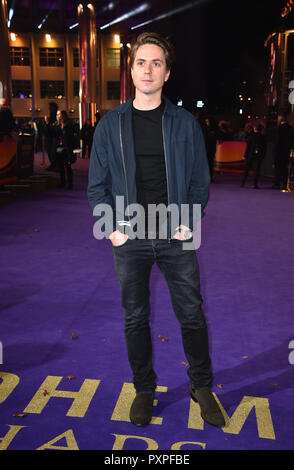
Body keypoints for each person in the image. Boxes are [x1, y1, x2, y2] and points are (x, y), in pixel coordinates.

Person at [87, 32, 225, 429]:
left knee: (192, 315)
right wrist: (112, 228)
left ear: (166, 73)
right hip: (128, 235)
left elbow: (200, 180)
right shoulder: (110, 124)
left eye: (156, 63)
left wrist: (190, 218)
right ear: (130, 71)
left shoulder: (184, 123)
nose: (148, 69)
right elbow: (97, 186)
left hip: (175, 234)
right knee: (135, 317)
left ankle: (201, 386)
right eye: (141, 62)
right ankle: (144, 388)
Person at [50, 110, 75, 189]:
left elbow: (71, 137)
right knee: (60, 166)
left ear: (63, 115)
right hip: (58, 148)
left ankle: (70, 183)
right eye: (57, 114)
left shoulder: (69, 125)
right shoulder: (55, 125)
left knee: (68, 166)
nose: (57, 116)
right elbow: (52, 134)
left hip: (67, 147)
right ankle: (62, 182)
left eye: (59, 114)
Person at [240, 125, 266, 189]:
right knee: (256, 170)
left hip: (250, 155)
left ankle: (243, 182)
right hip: (258, 155)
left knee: (246, 169)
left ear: (254, 128)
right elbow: (264, 148)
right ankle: (255, 184)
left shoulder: (251, 136)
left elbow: (248, 146)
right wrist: (263, 156)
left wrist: (245, 155)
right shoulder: (263, 137)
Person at [272, 114, 294, 190]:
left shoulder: (279, 128)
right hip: (287, 151)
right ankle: (285, 184)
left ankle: (277, 184)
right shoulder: (290, 128)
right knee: (285, 168)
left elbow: (278, 141)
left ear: (280, 119)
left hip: (280, 151)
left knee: (278, 168)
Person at [202, 117, 217, 182]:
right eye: (206, 121)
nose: (207, 123)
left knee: (210, 164)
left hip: (211, 150)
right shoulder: (204, 129)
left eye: (208, 121)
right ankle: (204, 178)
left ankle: (210, 177)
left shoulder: (214, 129)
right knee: (204, 165)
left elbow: (216, 138)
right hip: (205, 150)